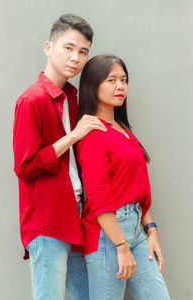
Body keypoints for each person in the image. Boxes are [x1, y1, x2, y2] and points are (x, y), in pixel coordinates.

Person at [13, 14, 107, 300]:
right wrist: (73, 135)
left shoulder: (73, 98)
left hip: (76, 216)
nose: (76, 58)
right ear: (48, 47)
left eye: (83, 52)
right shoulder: (31, 100)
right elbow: (24, 166)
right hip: (47, 220)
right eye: (68, 48)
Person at [76, 54, 170, 300]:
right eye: (111, 80)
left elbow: (136, 186)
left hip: (135, 229)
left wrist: (152, 230)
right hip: (108, 235)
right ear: (92, 85)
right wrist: (121, 246)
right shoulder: (93, 134)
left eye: (124, 80)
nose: (120, 86)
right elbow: (98, 198)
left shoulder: (122, 129)